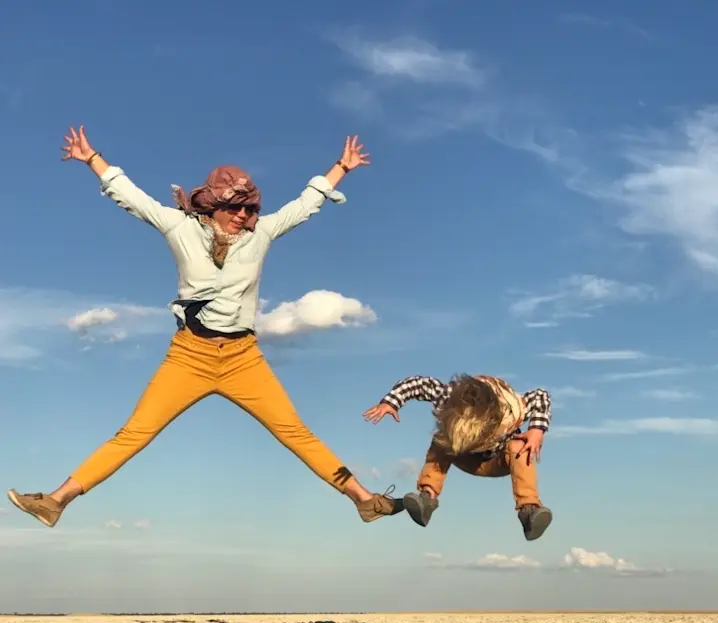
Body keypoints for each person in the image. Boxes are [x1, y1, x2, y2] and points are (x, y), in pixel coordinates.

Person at [7, 125, 403, 528]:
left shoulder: (260, 234)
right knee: (134, 434)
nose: (244, 217)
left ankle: (364, 500)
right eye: (235, 208)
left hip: (242, 358)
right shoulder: (180, 228)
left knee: (295, 433)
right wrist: (92, 159)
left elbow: (305, 204)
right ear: (212, 205)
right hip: (189, 356)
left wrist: (341, 167)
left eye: (250, 209)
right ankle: (56, 501)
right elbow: (130, 196)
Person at [362, 374, 553, 541]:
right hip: (462, 456)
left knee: (520, 445)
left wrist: (537, 430)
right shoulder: (447, 397)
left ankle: (529, 511)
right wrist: (391, 402)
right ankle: (427, 499)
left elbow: (540, 396)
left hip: (499, 461)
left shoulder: (511, 410)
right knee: (442, 439)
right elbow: (417, 384)